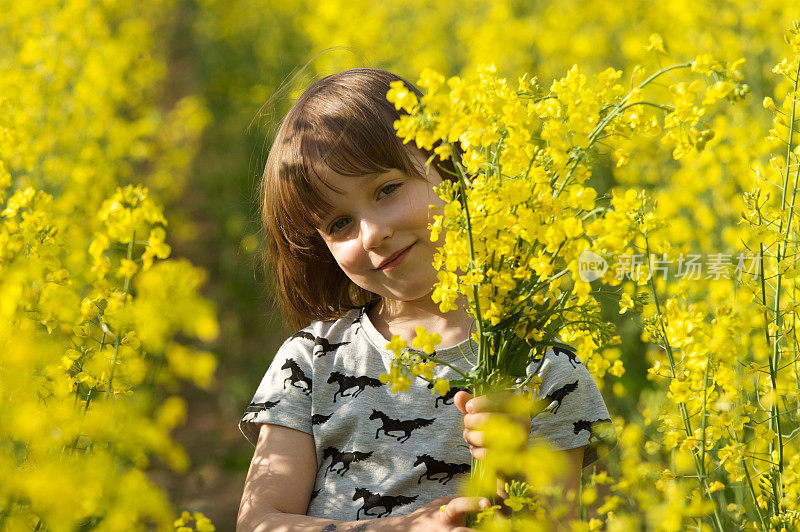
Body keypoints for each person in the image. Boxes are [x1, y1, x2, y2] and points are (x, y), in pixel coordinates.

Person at [236, 67, 616, 531]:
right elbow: (259, 523)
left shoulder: (541, 369)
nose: (373, 233)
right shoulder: (311, 362)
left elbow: (551, 525)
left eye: (387, 189)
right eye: (339, 225)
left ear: (448, 169)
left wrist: (513, 467)